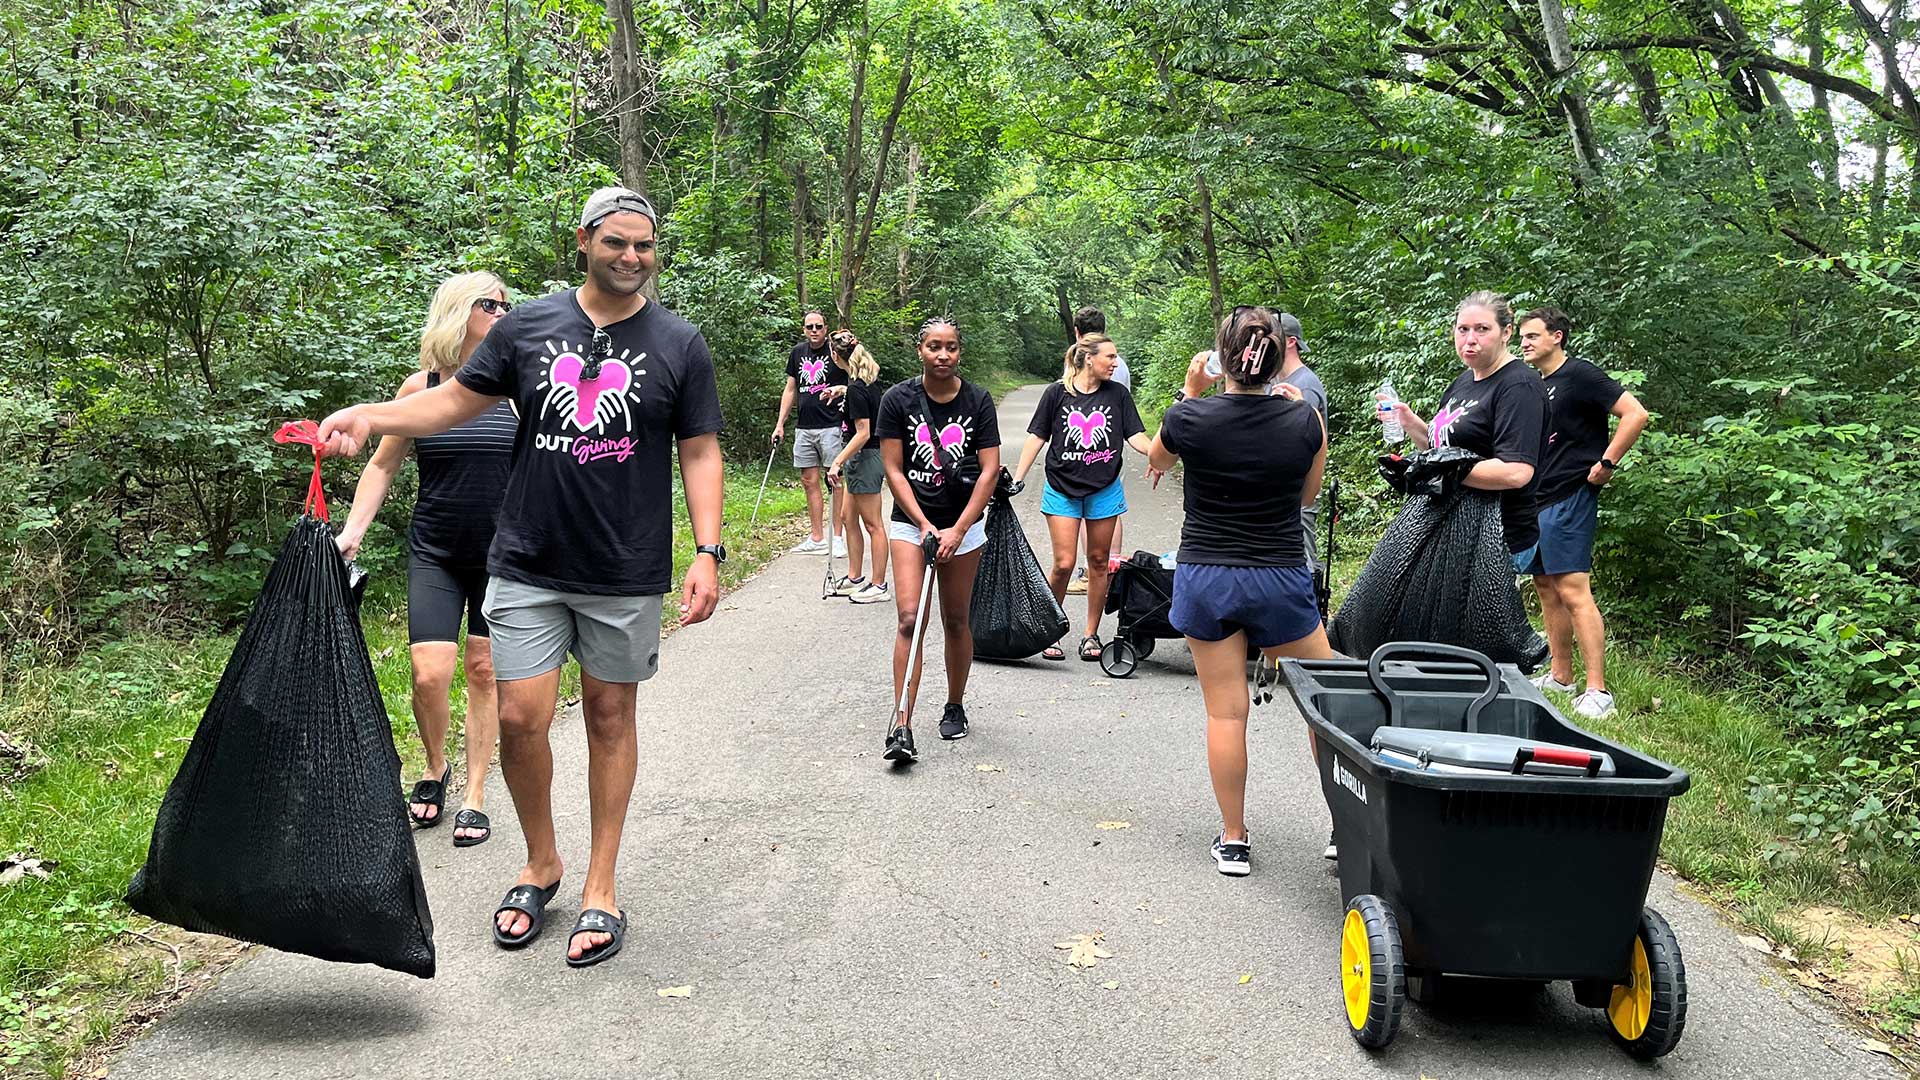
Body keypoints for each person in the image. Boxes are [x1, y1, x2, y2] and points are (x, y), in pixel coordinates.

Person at [317, 187, 725, 969]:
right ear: (584, 241)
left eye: (644, 245)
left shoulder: (679, 342)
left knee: (609, 718)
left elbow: (700, 450)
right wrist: (372, 415)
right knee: (518, 720)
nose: (632, 257)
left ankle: (601, 883)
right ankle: (543, 861)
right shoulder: (530, 326)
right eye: (616, 243)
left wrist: (708, 550)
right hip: (528, 558)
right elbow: (451, 406)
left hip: (622, 566)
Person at [334, 272, 515, 847]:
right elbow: (383, 464)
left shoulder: (521, 387)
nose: (505, 313)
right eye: (493, 305)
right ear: (461, 313)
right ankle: (436, 765)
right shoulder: (422, 388)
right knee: (429, 673)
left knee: (484, 670)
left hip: (503, 554)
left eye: (510, 305)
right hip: (436, 547)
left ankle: (477, 793)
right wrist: (352, 531)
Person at [1149, 306, 1331, 877]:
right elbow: (1306, 499)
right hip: (1278, 574)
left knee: (1226, 715)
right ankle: (1346, 829)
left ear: (1221, 358)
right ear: (1280, 360)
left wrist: (1188, 390)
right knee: (1325, 705)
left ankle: (1234, 840)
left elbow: (1156, 459)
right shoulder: (1306, 423)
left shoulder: (1189, 418)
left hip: (1207, 575)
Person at [875, 316, 1002, 760]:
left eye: (950, 347)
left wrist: (960, 528)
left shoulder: (978, 400)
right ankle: (901, 723)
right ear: (920, 350)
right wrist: (925, 525)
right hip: (913, 524)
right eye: (934, 347)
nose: (942, 355)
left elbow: (989, 469)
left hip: (963, 525)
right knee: (910, 617)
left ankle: (954, 704)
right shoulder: (897, 399)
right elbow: (893, 468)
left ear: (959, 352)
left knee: (955, 620)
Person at [1518, 306, 1650, 720]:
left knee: (1573, 589)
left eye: (1532, 335)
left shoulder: (1582, 375)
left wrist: (1607, 463)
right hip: (1538, 498)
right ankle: (1561, 676)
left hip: (1571, 495)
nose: (1524, 343)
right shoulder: (1536, 384)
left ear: (1557, 336)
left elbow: (1636, 413)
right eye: (1521, 336)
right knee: (1545, 585)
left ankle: (1599, 692)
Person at [1383, 290, 1550, 574]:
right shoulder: (1463, 382)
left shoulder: (1519, 386)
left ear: (1506, 332)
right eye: (1463, 329)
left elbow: (1516, 472)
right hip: (1454, 526)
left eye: (1482, 329)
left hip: (1496, 535)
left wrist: (1438, 470)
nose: (1470, 339)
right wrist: (1410, 423)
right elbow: (1440, 450)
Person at [1010, 334, 1150, 661]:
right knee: (1063, 563)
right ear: (1089, 359)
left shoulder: (1118, 394)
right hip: (1061, 487)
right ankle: (1049, 628)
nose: (1116, 363)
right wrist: (1017, 478)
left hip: (1104, 488)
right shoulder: (1056, 394)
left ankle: (1091, 634)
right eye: (1110, 357)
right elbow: (1037, 437)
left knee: (1099, 563)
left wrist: (1159, 452)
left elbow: (1136, 437)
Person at [1064, 306, 1130, 594]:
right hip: (1113, 449)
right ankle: (1110, 566)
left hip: (1092, 454)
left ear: (1078, 333)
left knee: (1087, 513)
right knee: (1110, 511)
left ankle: (1095, 573)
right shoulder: (1120, 363)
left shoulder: (1086, 364)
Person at [773, 310, 848, 555]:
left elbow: (855, 378)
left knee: (835, 480)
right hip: (805, 427)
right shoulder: (797, 353)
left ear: (826, 328)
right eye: (809, 327)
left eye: (818, 326)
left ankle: (837, 536)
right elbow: (790, 389)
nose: (814, 331)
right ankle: (817, 537)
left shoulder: (836, 352)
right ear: (804, 329)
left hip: (832, 424)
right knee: (809, 481)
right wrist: (780, 424)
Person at [824, 329, 891, 604]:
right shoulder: (860, 382)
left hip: (866, 458)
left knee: (873, 524)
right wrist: (841, 390)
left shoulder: (857, 390)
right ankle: (854, 578)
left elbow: (863, 432)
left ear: (835, 355)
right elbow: (860, 397)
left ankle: (879, 585)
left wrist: (837, 462)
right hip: (858, 460)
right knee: (847, 517)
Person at [1273, 313, 1329, 576]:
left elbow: (1300, 441)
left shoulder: (1305, 385)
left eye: (1271, 336)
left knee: (1302, 563)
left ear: (1290, 341)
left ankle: (1313, 613)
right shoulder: (1276, 380)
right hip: (1282, 490)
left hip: (1301, 490)